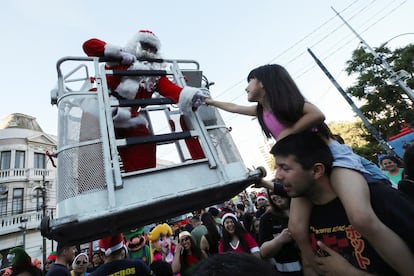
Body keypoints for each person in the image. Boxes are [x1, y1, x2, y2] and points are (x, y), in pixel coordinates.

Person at [206, 63, 412, 276]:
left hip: (333, 157)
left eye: (249, 81)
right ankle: (313, 268)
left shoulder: (288, 104)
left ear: (264, 82)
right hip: (305, 165)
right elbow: (234, 107)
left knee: (361, 218)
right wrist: (210, 101)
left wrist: (288, 134)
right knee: (296, 229)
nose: (246, 88)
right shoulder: (260, 111)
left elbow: (317, 114)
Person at [270, 132, 414, 275]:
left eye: (285, 168)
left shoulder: (378, 199)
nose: (278, 176)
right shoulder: (302, 219)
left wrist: (348, 272)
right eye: (277, 168)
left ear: (316, 170)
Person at [82, 29, 208, 173]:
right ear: (136, 44)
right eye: (145, 46)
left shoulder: (155, 75)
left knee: (144, 140)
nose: (149, 51)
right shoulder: (120, 59)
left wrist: (191, 96)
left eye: (153, 49)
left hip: (127, 115)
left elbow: (171, 90)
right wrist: (119, 53)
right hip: (99, 107)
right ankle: (91, 186)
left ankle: (141, 178)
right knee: (91, 148)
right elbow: (88, 46)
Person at [259, 185, 303, 275]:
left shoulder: (304, 209)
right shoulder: (266, 218)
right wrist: (280, 239)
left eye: (277, 190)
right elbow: (263, 253)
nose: (275, 195)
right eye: (271, 193)